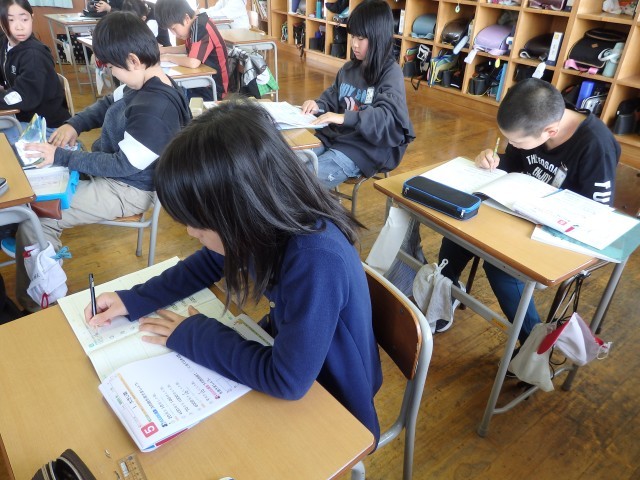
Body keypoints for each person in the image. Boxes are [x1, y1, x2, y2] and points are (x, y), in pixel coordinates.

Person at [85, 97, 383, 442]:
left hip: (334, 401)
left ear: (239, 210)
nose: (190, 232)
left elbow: (287, 380)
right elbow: (206, 264)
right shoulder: (264, 221)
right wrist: (133, 300)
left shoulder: (316, 259)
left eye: (198, 223)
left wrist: (195, 334)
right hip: (285, 356)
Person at [14, 12, 191, 312]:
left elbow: (122, 166)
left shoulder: (156, 108)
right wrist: (74, 124)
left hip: (129, 189)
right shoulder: (141, 81)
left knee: (39, 218)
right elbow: (109, 102)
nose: (111, 73)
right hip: (116, 175)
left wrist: (63, 157)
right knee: (40, 188)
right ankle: (38, 279)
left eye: (111, 67)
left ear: (133, 60)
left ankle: (38, 307)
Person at [438, 78, 620, 342]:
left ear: (550, 131)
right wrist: (493, 159)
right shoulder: (533, 118)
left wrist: (543, 212)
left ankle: (531, 344)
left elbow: (596, 214)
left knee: (500, 266)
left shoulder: (596, 146)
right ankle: (445, 291)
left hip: (559, 231)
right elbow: (514, 162)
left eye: (517, 141)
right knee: (459, 229)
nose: (513, 144)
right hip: (520, 211)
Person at [301, 0, 414, 188]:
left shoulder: (391, 73)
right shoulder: (348, 68)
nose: (354, 44)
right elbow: (331, 98)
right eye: (353, 36)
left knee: (303, 183)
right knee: (286, 164)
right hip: (333, 138)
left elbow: (387, 118)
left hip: (362, 149)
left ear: (378, 37)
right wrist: (317, 105)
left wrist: (345, 117)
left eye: (360, 39)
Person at [0, 0, 71, 144]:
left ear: (32, 18)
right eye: (11, 20)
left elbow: (23, 96)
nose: (19, 27)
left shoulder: (33, 55)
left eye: (24, 19)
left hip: (44, 127)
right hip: (23, 117)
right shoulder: (5, 43)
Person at [155, 0, 229, 101]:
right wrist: (163, 50)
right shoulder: (196, 23)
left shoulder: (201, 26)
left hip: (212, 90)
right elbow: (186, 48)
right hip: (202, 83)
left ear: (186, 18)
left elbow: (193, 62)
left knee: (171, 98)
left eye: (173, 28)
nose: (173, 33)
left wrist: (167, 57)